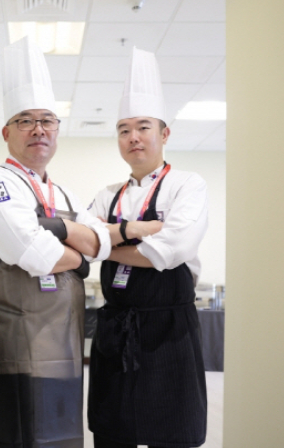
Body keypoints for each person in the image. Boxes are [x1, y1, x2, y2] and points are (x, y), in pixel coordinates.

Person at [0, 38, 156, 448]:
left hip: (65, 351)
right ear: (6, 131)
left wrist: (59, 232)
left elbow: (101, 242)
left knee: (61, 439)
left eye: (48, 120)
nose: (39, 129)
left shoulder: (65, 194)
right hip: (14, 349)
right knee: (13, 437)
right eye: (25, 120)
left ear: (57, 130)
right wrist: (81, 253)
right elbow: (35, 255)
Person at [86, 47, 209, 448]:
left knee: (173, 434)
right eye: (123, 129)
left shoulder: (187, 185)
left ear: (164, 133)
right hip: (115, 330)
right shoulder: (107, 194)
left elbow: (168, 252)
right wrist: (140, 230)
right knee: (111, 434)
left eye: (143, 127)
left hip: (169, 332)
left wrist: (107, 240)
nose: (133, 138)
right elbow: (80, 239)